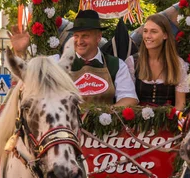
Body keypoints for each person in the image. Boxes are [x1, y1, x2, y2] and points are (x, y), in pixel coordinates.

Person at [10, 10, 138, 106]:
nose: (79, 41)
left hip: (104, 137)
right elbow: (30, 77)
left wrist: (103, 116)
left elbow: (129, 99)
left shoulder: (116, 65)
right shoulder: (57, 62)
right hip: (65, 134)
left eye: (85, 36)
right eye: (76, 36)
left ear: (98, 37)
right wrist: (20, 52)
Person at [125, 13, 189, 111]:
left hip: (168, 122)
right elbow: (128, 100)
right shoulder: (133, 62)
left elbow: (180, 104)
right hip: (138, 123)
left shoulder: (178, 64)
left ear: (165, 35)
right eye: (145, 31)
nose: (148, 36)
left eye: (153, 32)